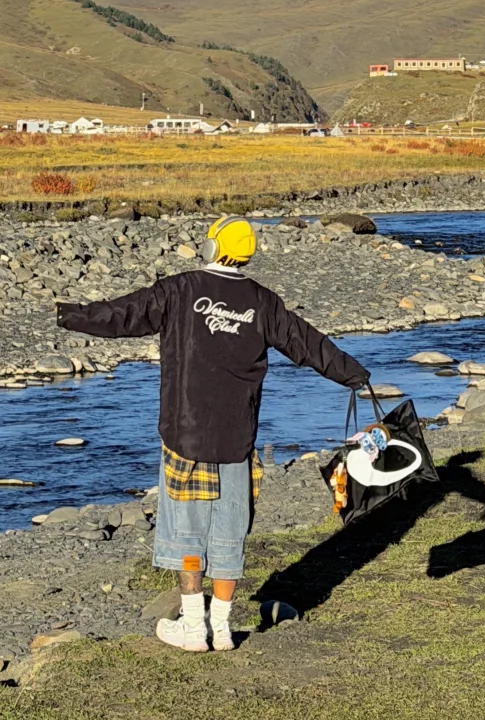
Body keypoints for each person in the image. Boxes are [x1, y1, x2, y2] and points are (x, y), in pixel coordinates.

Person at [56, 215, 370, 653]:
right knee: (228, 535)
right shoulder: (263, 303)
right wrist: (354, 375)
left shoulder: (179, 290)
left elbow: (123, 315)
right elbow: (307, 343)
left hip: (185, 436)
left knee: (187, 535)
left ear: (211, 248)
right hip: (237, 441)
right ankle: (220, 629)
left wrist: (69, 316)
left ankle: (193, 625)